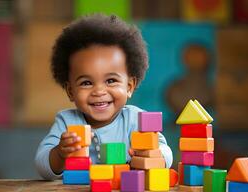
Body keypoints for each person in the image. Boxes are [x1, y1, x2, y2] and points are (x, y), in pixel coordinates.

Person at [35, 14, 173, 180]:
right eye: (86, 83)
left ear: (129, 86)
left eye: (111, 80)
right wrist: (59, 154)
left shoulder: (136, 120)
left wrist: (157, 158)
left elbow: (165, 150)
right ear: (70, 91)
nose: (99, 91)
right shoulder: (67, 122)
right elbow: (42, 165)